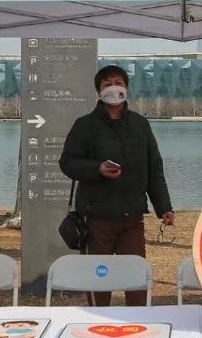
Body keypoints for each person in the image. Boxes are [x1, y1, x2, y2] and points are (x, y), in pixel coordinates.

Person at [59, 65, 173, 306]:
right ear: (98, 91)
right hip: (95, 219)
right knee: (98, 280)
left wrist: (164, 207)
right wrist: (97, 169)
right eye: (107, 84)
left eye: (118, 82)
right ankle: (97, 321)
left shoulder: (140, 125)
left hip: (132, 217)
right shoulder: (85, 125)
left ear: (126, 88)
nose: (113, 87)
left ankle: (139, 322)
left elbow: (154, 169)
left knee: (136, 278)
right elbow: (67, 163)